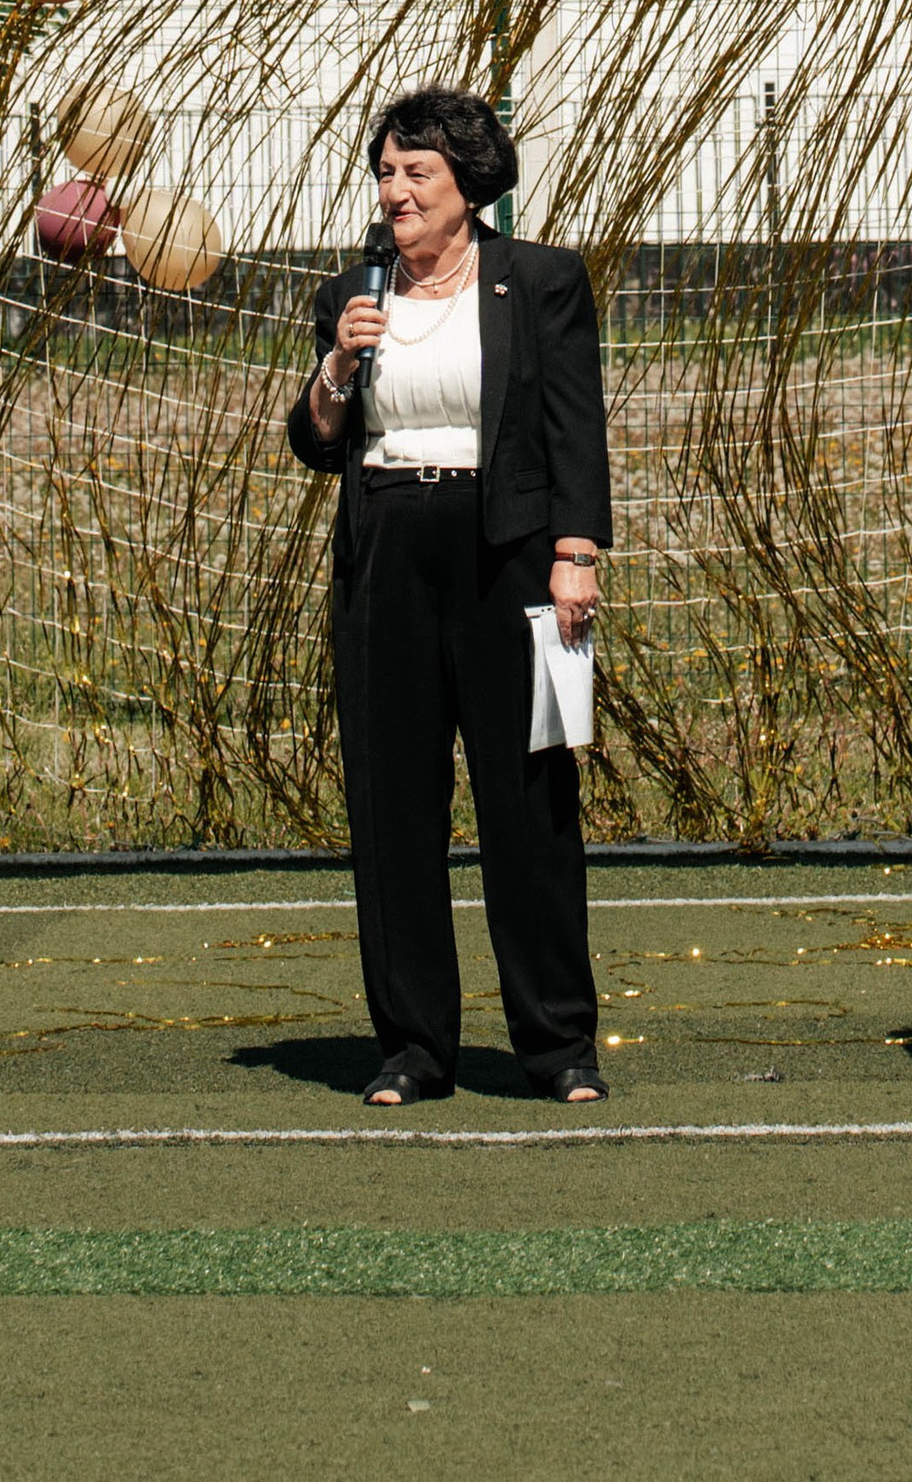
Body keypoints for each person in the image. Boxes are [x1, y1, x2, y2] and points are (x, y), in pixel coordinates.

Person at [290, 85, 611, 1108]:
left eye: (415, 172)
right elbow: (312, 442)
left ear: (468, 184)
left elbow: (575, 427)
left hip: (506, 553)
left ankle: (557, 1045)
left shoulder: (540, 281)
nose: (394, 191)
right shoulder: (353, 289)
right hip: (385, 548)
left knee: (529, 803)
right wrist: (339, 360)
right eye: (385, 172)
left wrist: (576, 553)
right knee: (393, 804)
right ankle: (414, 1046)